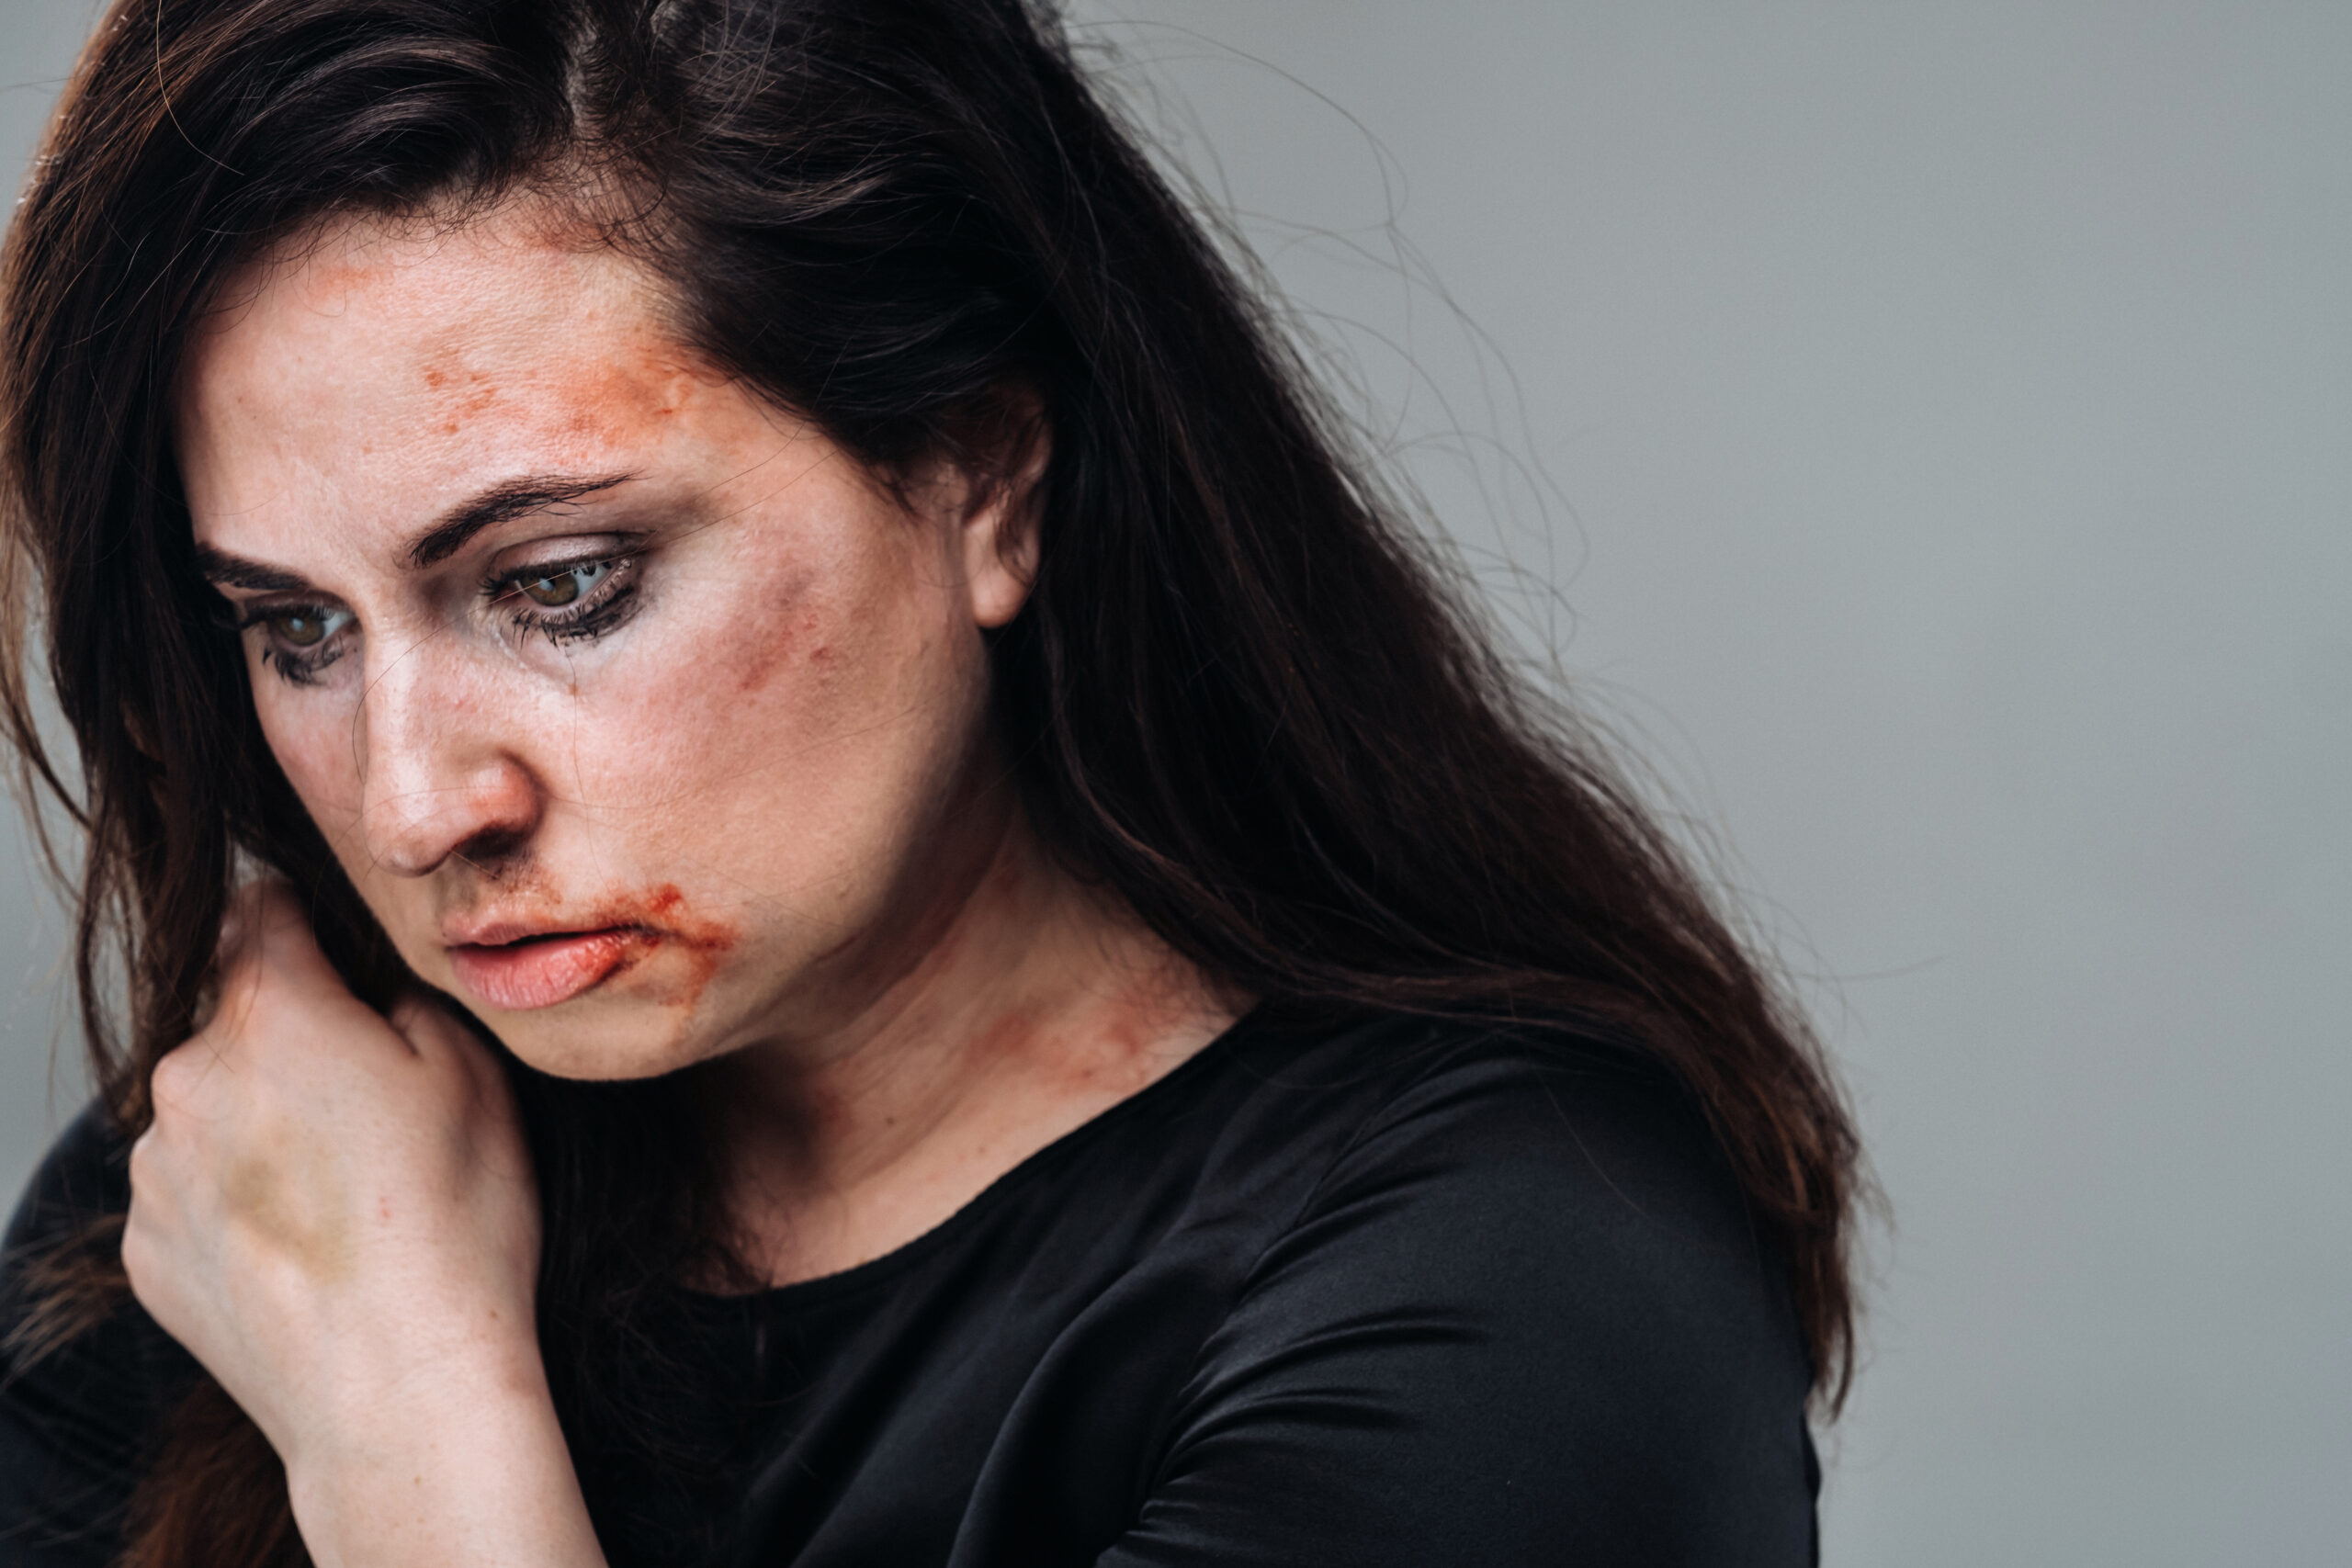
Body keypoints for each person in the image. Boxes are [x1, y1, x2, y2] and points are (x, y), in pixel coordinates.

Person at [0, 2, 1863, 1564]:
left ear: (980, 479)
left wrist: (407, 1427)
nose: (414, 805)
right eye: (297, 632)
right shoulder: (288, 1165)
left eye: (561, 587)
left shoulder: (1507, 1281)